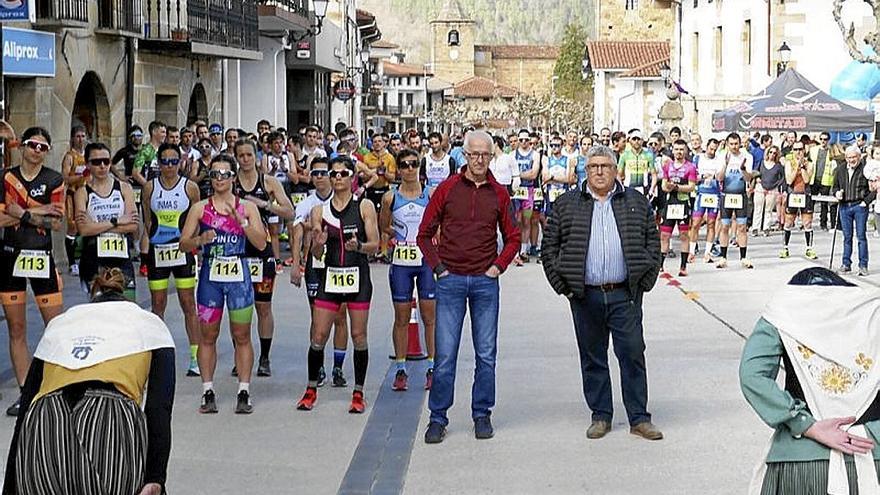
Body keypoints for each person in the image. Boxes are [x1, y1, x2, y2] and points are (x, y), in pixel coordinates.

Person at [3, 267, 174, 495]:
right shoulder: (151, 326)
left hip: (45, 420)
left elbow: (25, 410)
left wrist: (9, 488)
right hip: (109, 418)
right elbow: (158, 409)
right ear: (124, 298)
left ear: (93, 297)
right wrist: (156, 477)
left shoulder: (60, 325)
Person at [540, 144, 663, 442]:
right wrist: (565, 286)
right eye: (593, 166)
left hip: (625, 295)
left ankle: (639, 418)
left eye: (605, 166)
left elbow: (653, 243)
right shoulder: (567, 204)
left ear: (616, 169)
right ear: (585, 169)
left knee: (632, 353)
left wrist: (644, 282)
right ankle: (601, 416)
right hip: (585, 296)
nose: (598, 171)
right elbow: (549, 248)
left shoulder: (635, 201)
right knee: (593, 357)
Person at [417, 130, 520, 444]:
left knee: (486, 354)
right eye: (473, 154)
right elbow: (424, 233)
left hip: (485, 283)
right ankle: (438, 417)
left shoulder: (499, 193)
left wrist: (498, 266)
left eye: (484, 155)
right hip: (450, 282)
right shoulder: (447, 189)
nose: (478, 160)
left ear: (491, 156)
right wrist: (439, 268)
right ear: (463, 155)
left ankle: (481, 414)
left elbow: (514, 236)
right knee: (446, 355)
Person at [740, 267, 880, 495]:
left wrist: (806, 424)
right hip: (871, 452)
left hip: (801, 457)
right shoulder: (872, 311)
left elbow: (752, 375)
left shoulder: (782, 312)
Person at [179, 154, 267, 414]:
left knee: (241, 335)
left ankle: (244, 390)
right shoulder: (200, 208)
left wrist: (243, 225)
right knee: (208, 336)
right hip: (210, 279)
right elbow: (183, 243)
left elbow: (262, 243)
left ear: (233, 177)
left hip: (239, 277)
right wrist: (200, 240)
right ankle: (207, 390)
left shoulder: (247, 207)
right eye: (214, 174)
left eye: (224, 174)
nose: (219, 179)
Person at [296, 156, 380, 413]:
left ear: (353, 176)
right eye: (334, 174)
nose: (338, 178)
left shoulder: (364, 206)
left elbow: (376, 245)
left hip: (358, 278)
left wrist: (360, 247)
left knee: (359, 335)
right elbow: (318, 254)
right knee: (319, 334)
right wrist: (319, 243)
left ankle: (358, 392)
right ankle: (311, 389)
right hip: (329, 277)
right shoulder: (319, 211)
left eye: (344, 173)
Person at [0, 127, 66, 417]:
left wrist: (22, 213)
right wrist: (40, 211)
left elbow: (56, 222)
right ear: (22, 147)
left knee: (55, 329)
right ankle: (26, 391)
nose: (37, 151)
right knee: (16, 328)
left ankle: (55, 388)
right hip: (10, 258)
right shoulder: (6, 177)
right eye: (32, 145)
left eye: (43, 147)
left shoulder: (54, 178)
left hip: (42, 258)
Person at [233, 139, 294, 377]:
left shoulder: (268, 182)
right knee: (238, 306)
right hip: (236, 249)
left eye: (249, 154)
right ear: (236, 157)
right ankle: (241, 356)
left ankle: (264, 357)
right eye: (241, 155)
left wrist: (266, 205)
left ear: (256, 157)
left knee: (263, 305)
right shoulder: (230, 183)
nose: (246, 159)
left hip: (262, 249)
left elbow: (289, 211)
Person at [142, 143, 202, 377]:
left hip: (182, 252)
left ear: (181, 163)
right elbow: (147, 220)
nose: (169, 166)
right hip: (158, 252)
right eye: (164, 161)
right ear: (158, 163)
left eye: (173, 161)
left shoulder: (190, 188)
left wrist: (194, 245)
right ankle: (158, 355)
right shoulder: (149, 188)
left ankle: (195, 357)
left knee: (189, 304)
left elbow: (197, 219)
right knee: (157, 305)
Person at [290, 157, 350, 388]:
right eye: (314, 173)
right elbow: (296, 234)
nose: (319, 178)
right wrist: (296, 264)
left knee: (340, 316)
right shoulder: (306, 204)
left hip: (340, 265)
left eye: (324, 173)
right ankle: (320, 366)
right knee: (318, 318)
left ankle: (338, 367)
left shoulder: (345, 201)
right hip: (316, 266)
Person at [380, 149, 436, 391]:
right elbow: (385, 226)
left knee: (430, 318)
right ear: (399, 169)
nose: (410, 169)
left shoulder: (430, 194)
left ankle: (433, 367)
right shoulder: (390, 198)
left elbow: (440, 224)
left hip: (425, 263)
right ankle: (401, 369)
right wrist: (399, 238)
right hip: (402, 261)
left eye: (414, 164)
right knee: (402, 317)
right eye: (405, 165)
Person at [74, 142, 139, 300]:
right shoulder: (82, 192)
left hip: (121, 256)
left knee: (128, 307)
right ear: (88, 164)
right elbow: (83, 230)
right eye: (96, 162)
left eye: (106, 161)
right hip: (94, 258)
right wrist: (117, 220)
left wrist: (96, 226)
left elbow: (132, 224)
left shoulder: (124, 188)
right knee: (100, 311)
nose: (102, 166)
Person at [834, 145, 876, 276]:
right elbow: (834, 187)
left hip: (859, 206)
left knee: (861, 236)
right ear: (845, 158)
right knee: (847, 237)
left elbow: (874, 189)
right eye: (849, 157)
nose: (851, 160)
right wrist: (837, 194)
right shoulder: (840, 169)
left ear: (859, 157)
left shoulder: (865, 169)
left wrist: (866, 202)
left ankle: (863, 265)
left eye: (854, 157)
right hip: (844, 206)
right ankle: (846, 264)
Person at [659, 139, 697, 276]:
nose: (679, 152)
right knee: (664, 235)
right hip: (670, 204)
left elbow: (691, 186)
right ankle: (661, 266)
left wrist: (677, 187)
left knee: (684, 235)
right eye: (676, 149)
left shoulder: (690, 167)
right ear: (672, 150)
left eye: (681, 149)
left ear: (685, 151)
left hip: (683, 204)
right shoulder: (667, 166)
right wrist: (668, 187)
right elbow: (663, 186)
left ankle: (683, 267)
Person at [716, 133, 755, 269]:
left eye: (736, 144)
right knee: (725, 226)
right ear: (727, 144)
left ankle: (743, 257)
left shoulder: (747, 157)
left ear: (740, 143)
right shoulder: (722, 156)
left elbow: (748, 178)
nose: (734, 147)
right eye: (731, 144)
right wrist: (725, 165)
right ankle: (723, 257)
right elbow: (719, 178)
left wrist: (743, 169)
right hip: (726, 195)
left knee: (742, 227)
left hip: (741, 195)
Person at [780, 143, 818, 260]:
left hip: (805, 195)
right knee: (789, 222)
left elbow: (807, 180)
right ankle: (785, 247)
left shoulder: (810, 164)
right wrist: (796, 166)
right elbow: (789, 180)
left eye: (800, 149)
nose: (798, 152)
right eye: (795, 150)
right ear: (792, 151)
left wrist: (802, 167)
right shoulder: (788, 164)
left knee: (807, 223)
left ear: (804, 150)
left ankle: (809, 248)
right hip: (793, 195)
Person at [690, 138, 723, 263]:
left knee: (711, 223)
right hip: (701, 193)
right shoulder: (698, 158)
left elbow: (720, 177)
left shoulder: (719, 160)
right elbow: (692, 176)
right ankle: (692, 251)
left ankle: (707, 252)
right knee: (696, 223)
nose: (712, 151)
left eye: (715, 149)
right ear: (707, 146)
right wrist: (702, 177)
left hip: (714, 194)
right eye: (711, 148)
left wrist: (714, 176)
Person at [61, 125, 88, 276]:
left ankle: (85, 259)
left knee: (87, 225)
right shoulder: (70, 157)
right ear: (72, 138)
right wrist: (81, 176)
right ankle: (72, 263)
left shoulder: (89, 155)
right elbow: (65, 177)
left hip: (87, 194)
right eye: (78, 136)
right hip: (73, 193)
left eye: (83, 136)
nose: (80, 139)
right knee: (72, 226)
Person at [512, 129, 540, 263]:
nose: (523, 142)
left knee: (526, 220)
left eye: (526, 140)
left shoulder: (535, 155)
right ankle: (515, 248)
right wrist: (522, 175)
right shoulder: (512, 155)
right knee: (516, 220)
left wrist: (517, 175)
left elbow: (534, 174)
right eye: (521, 140)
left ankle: (524, 249)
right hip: (516, 192)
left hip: (528, 192)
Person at [753, 145, 785, 237]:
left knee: (768, 209)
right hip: (760, 187)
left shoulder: (778, 166)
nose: (772, 154)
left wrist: (777, 185)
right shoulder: (762, 163)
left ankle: (766, 227)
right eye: (771, 152)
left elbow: (782, 177)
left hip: (772, 188)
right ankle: (755, 227)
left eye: (774, 153)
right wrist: (757, 178)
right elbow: (756, 172)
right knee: (758, 208)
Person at [810, 132, 839, 231]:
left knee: (824, 204)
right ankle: (808, 222)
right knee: (810, 203)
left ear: (828, 140)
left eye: (825, 139)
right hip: (813, 179)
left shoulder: (831, 151)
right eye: (821, 139)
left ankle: (823, 223)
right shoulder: (813, 150)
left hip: (826, 180)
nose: (823, 141)